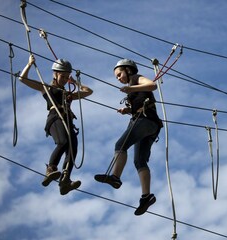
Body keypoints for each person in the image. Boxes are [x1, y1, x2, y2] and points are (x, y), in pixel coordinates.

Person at [94, 59, 162, 215]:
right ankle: (146, 196)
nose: (118, 78)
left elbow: (152, 85)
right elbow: (141, 101)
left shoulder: (137, 78)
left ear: (128, 70)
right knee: (140, 160)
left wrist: (131, 90)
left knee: (120, 145)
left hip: (146, 121)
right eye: (116, 77)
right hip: (150, 125)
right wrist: (128, 110)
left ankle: (115, 177)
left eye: (119, 74)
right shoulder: (132, 87)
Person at [19, 54, 93, 195]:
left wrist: (75, 83)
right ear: (55, 74)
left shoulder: (68, 94)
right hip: (55, 118)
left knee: (73, 149)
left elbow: (89, 92)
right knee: (63, 142)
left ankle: (65, 181)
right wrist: (29, 64)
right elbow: (23, 79)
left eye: (66, 77)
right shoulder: (46, 87)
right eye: (63, 77)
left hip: (68, 121)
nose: (65, 80)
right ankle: (51, 169)